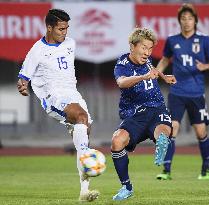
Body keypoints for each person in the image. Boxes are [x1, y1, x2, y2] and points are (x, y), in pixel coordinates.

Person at [17, 9, 99, 201]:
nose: (65, 32)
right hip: (53, 97)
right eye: (61, 29)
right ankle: (84, 187)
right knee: (81, 118)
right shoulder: (36, 51)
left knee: (85, 131)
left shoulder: (70, 43)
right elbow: (23, 78)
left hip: (73, 94)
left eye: (67, 28)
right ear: (49, 27)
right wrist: (22, 86)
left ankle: (84, 190)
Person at [111, 27, 176, 201]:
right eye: (144, 48)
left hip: (156, 108)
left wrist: (164, 76)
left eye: (150, 48)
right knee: (117, 141)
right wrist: (144, 77)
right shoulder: (122, 64)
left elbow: (152, 69)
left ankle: (161, 143)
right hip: (135, 114)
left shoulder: (146, 61)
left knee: (162, 131)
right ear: (132, 46)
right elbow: (122, 82)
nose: (147, 52)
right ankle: (126, 187)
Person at [156, 3, 209, 180]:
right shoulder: (172, 40)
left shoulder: (204, 40)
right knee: (173, 128)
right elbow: (164, 60)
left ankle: (206, 170)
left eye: (190, 19)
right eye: (184, 19)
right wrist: (156, 73)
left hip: (196, 93)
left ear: (195, 21)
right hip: (177, 92)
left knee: (201, 132)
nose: (187, 22)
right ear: (179, 21)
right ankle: (166, 171)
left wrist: (205, 66)